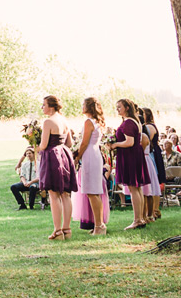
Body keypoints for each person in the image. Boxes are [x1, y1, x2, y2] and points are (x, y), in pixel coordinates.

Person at [37, 95, 78, 241]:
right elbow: (70, 143)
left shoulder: (48, 121)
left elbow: (43, 145)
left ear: (51, 106)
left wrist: (35, 146)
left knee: (53, 194)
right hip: (64, 154)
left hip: (52, 156)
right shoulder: (63, 120)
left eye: (44, 104)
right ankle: (67, 229)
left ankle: (57, 231)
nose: (42, 107)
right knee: (66, 194)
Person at [106, 98, 149, 230]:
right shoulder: (133, 121)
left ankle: (137, 219)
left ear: (127, 108)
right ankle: (140, 218)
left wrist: (114, 145)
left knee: (133, 188)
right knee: (136, 188)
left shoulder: (129, 123)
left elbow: (129, 142)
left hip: (130, 156)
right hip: (133, 155)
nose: (117, 109)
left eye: (120, 107)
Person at [72, 97, 109, 235]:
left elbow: (84, 143)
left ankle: (99, 225)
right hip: (94, 154)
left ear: (88, 106)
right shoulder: (96, 122)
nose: (81, 107)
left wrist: (77, 157)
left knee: (92, 192)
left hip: (89, 156)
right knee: (93, 192)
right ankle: (98, 224)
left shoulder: (89, 122)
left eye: (83, 104)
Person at [139, 107, 164, 222]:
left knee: (153, 182)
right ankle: (151, 212)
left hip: (151, 154)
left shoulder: (149, 127)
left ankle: (154, 210)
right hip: (150, 152)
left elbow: (146, 140)